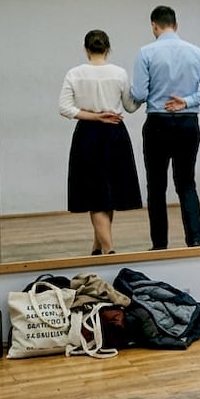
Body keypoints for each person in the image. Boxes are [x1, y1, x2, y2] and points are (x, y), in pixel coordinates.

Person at [130, 5, 200, 250]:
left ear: (154, 26)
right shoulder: (196, 52)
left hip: (158, 123)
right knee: (186, 183)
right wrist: (188, 101)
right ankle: (195, 240)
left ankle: (160, 244)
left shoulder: (146, 53)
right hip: (188, 122)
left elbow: (138, 92)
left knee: (156, 186)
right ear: (176, 25)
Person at [58, 29, 144, 255]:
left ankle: (105, 248)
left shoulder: (74, 74)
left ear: (86, 49)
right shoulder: (119, 73)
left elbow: (65, 108)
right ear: (108, 49)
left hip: (88, 134)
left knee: (96, 193)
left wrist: (94, 115)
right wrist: (144, 94)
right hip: (115, 132)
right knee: (106, 192)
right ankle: (104, 246)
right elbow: (130, 106)